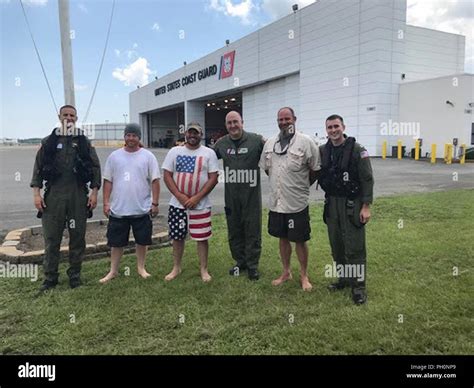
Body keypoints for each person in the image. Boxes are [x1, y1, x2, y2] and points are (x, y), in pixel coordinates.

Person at [30, 105, 101, 293]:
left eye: (72, 115)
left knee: (77, 238)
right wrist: (36, 194)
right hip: (53, 197)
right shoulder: (49, 142)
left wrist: (94, 193)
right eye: (65, 115)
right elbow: (37, 170)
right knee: (52, 239)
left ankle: (75, 276)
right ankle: (50, 278)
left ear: (76, 118)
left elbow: (95, 168)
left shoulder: (83, 142)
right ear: (59, 117)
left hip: (78, 196)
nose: (69, 118)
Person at [259, 107, 321, 291]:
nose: (284, 122)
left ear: (295, 119)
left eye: (287, 118)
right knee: (282, 237)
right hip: (277, 203)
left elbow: (315, 168)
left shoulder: (306, 142)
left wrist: (301, 186)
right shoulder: (270, 143)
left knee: (300, 239)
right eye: (281, 119)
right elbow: (266, 167)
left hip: (297, 203)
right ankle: (286, 272)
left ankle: (304, 276)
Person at [317, 114, 374, 305]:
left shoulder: (358, 150)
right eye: (329, 127)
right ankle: (343, 279)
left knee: (354, 246)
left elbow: (367, 179)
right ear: (326, 130)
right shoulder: (323, 150)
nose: (333, 130)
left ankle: (358, 287)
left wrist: (366, 206)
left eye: (336, 126)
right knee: (337, 244)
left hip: (352, 203)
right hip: (331, 203)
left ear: (343, 127)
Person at [99, 123, 160, 283]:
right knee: (116, 242)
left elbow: (155, 181)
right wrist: (106, 202)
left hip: (142, 208)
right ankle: (113, 271)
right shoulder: (114, 157)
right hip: (119, 209)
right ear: (124, 137)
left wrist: (155, 203)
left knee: (142, 241)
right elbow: (108, 181)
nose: (131, 138)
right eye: (128, 135)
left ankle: (141, 268)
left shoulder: (148, 156)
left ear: (139, 137)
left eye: (134, 135)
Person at [162, 122, 219, 282]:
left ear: (201, 135)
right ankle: (176, 267)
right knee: (178, 237)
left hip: (200, 205)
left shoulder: (209, 153)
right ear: (185, 134)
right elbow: (167, 175)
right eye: (190, 133)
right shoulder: (174, 151)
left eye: (196, 133)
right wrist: (180, 195)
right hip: (177, 204)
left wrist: (196, 197)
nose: (192, 136)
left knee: (201, 238)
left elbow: (213, 178)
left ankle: (204, 269)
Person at [213, 111, 264, 280]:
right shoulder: (221, 144)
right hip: (232, 196)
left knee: (252, 229)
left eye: (236, 122)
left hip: (251, 196)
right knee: (234, 229)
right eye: (229, 123)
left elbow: (274, 152)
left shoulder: (257, 141)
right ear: (226, 125)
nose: (233, 126)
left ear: (242, 122)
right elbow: (205, 158)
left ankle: (252, 265)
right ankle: (240, 262)